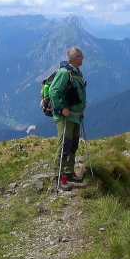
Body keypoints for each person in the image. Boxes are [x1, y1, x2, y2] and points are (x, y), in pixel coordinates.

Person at [50, 46, 87, 190]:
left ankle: (69, 172)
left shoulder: (76, 72)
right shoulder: (64, 72)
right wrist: (60, 108)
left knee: (73, 145)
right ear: (76, 58)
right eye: (82, 56)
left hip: (76, 117)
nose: (83, 58)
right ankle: (58, 177)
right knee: (64, 145)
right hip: (66, 117)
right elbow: (53, 91)